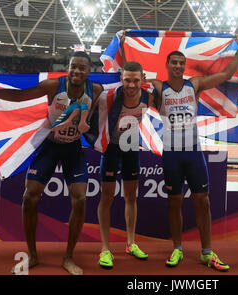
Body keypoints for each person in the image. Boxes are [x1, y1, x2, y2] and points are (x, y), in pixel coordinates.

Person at [0, 51, 104, 275]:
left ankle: (68, 257)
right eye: (73, 66)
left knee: (80, 199)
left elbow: (102, 110)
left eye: (82, 68)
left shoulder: (95, 90)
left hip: (73, 149)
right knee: (29, 197)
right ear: (68, 67)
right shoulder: (52, 86)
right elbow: (21, 97)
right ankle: (33, 255)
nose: (76, 71)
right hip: (50, 145)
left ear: (89, 71)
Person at [137, 36, 238, 271]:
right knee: (174, 203)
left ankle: (207, 251)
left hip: (194, 153)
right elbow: (133, 77)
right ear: (167, 66)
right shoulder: (158, 86)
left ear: (184, 66)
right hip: (172, 154)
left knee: (202, 202)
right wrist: (125, 49)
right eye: (173, 62)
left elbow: (225, 76)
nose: (177, 66)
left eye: (180, 63)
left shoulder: (194, 84)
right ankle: (177, 248)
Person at [97, 61, 155, 269]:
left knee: (131, 196)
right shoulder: (110, 96)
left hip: (131, 147)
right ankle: (105, 248)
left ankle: (131, 243)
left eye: (136, 80)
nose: (131, 85)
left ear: (143, 79)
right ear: (121, 79)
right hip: (111, 148)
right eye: (127, 80)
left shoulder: (149, 96)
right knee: (107, 197)